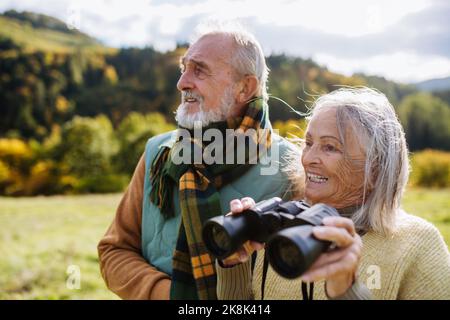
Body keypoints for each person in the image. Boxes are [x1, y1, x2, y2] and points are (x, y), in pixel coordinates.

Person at [97, 23, 299, 300]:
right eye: (184, 68)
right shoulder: (159, 153)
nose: (182, 83)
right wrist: (172, 297)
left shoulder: (292, 167)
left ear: (244, 87)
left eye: (199, 70)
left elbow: (296, 280)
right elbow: (114, 250)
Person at [216, 87, 450, 300]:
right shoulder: (281, 234)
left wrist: (346, 292)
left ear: (376, 168)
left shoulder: (418, 246)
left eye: (330, 147)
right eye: (308, 143)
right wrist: (233, 265)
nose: (307, 159)